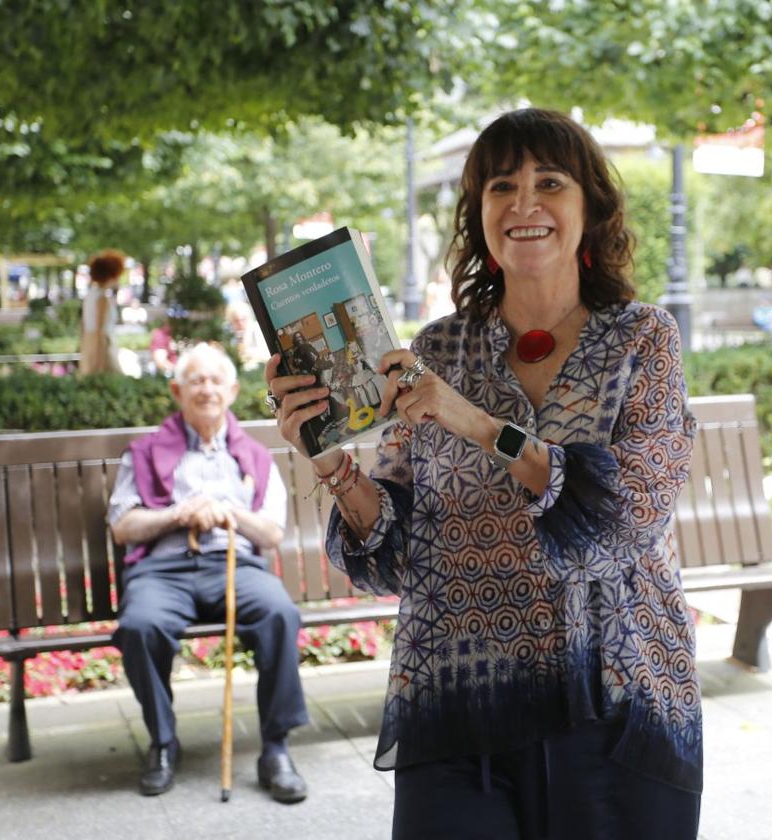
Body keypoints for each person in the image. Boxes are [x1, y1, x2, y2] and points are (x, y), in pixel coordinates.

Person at [267, 108, 701, 839]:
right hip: (458, 699)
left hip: (615, 693)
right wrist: (333, 461)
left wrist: (476, 422)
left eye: (550, 183)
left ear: (589, 208)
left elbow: (628, 513)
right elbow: (396, 551)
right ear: (479, 215)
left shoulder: (643, 337)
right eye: (502, 187)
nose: (524, 204)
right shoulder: (438, 346)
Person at [107, 343, 309, 802]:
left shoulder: (254, 456)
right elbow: (123, 525)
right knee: (140, 625)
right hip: (164, 570)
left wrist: (229, 513)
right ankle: (163, 742)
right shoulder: (144, 452)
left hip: (234, 564)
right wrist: (179, 514)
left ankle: (275, 749)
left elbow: (272, 532)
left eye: (216, 380)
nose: (207, 389)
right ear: (177, 390)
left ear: (233, 390)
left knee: (279, 613)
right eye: (196, 380)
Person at [80, 249, 124, 374]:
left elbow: (83, 325)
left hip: (89, 343)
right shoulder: (102, 298)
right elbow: (100, 330)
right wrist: (99, 362)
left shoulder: (90, 295)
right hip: (101, 345)